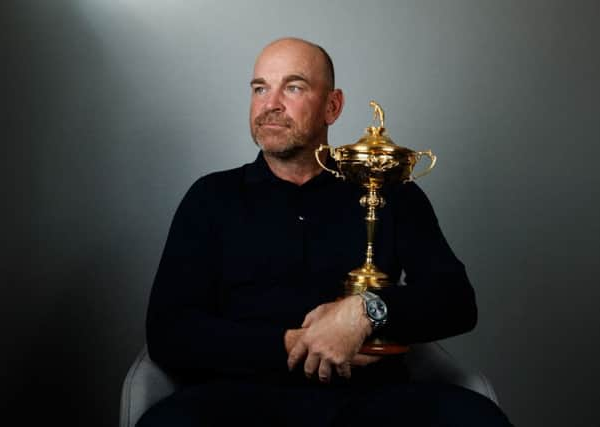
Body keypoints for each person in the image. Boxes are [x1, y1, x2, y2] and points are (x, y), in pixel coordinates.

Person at [137, 37, 512, 426]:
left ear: (332, 106)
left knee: (477, 419)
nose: (271, 104)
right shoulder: (210, 198)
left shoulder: (390, 189)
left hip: (374, 401)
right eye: (260, 88)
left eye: (294, 87)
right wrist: (292, 343)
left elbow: (456, 302)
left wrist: (366, 312)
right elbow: (169, 331)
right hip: (240, 400)